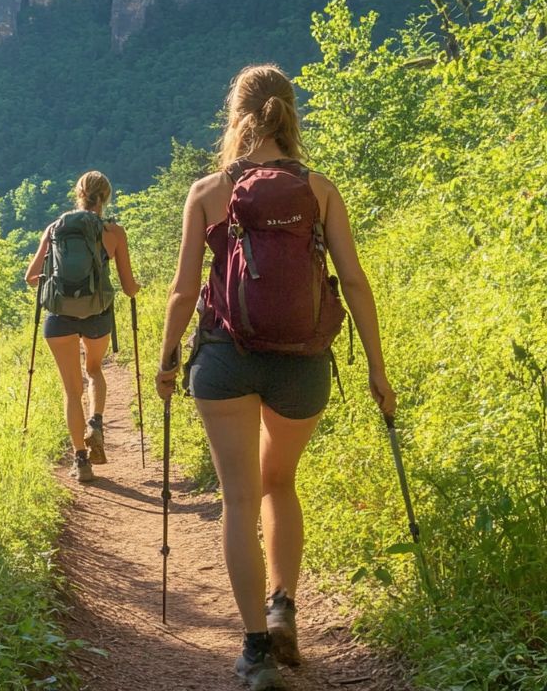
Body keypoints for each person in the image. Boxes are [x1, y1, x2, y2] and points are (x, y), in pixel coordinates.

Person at [154, 64, 396, 690]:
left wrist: (166, 357)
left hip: (225, 361)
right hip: (303, 365)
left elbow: (183, 292)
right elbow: (355, 282)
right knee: (279, 483)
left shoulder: (208, 190)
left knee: (238, 496)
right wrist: (376, 368)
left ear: (236, 118)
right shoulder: (319, 190)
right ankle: (283, 605)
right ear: (291, 115)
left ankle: (256, 651)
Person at [24, 171, 139, 484]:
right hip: (97, 316)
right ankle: (97, 422)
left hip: (59, 317)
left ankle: (81, 461)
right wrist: (134, 287)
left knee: (71, 391)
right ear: (106, 197)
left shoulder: (55, 228)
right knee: (94, 370)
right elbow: (128, 287)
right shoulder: (114, 232)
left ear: (78, 194)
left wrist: (57, 276)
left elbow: (31, 277)